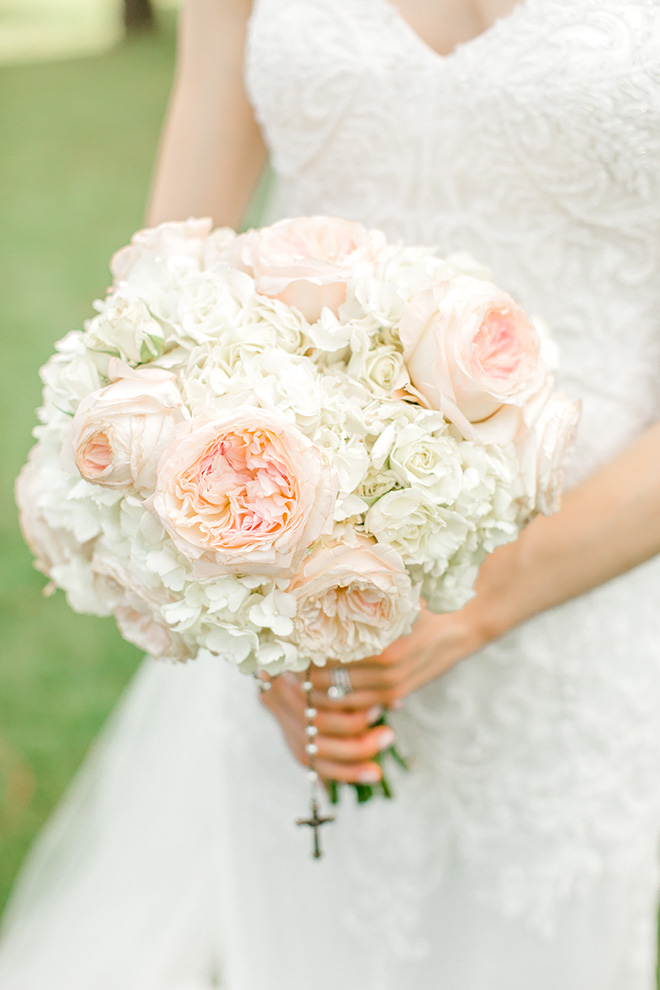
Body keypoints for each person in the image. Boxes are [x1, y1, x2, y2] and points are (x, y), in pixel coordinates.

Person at [1, 0, 660, 987]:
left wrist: (479, 604)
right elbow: (162, 301)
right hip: (299, 590)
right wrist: (256, 591)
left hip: (584, 599)